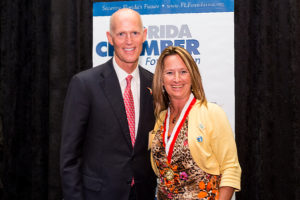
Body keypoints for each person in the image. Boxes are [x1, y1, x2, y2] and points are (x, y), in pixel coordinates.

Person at [60, 8, 156, 200]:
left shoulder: (154, 84)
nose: (129, 41)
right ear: (110, 38)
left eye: (134, 33)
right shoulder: (84, 84)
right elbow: (69, 157)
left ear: (144, 35)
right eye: (121, 34)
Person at [149, 46, 241, 199]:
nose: (177, 78)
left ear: (192, 76)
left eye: (183, 72)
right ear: (161, 80)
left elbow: (230, 168)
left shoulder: (212, 113)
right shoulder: (160, 119)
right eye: (170, 73)